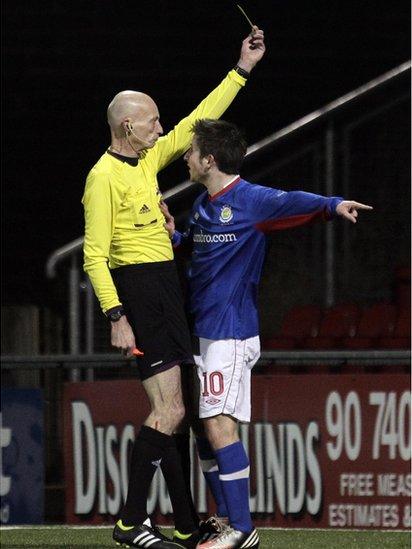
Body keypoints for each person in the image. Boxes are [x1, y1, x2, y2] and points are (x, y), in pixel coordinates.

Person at [82, 27, 266, 549]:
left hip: (165, 289)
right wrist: (117, 317)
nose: (162, 129)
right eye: (151, 122)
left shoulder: (143, 161)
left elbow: (194, 122)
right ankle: (129, 521)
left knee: (180, 415)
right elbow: (94, 255)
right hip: (138, 292)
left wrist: (242, 69)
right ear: (126, 126)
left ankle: (186, 525)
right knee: (170, 412)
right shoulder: (103, 177)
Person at [161, 118, 373, 549]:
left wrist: (333, 204)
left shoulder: (250, 199)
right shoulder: (203, 204)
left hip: (231, 333)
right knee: (205, 429)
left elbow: (292, 201)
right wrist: (175, 236)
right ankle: (226, 519)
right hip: (202, 331)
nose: (184, 157)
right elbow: (198, 249)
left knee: (220, 424)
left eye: (191, 150)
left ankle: (242, 528)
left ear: (210, 159)